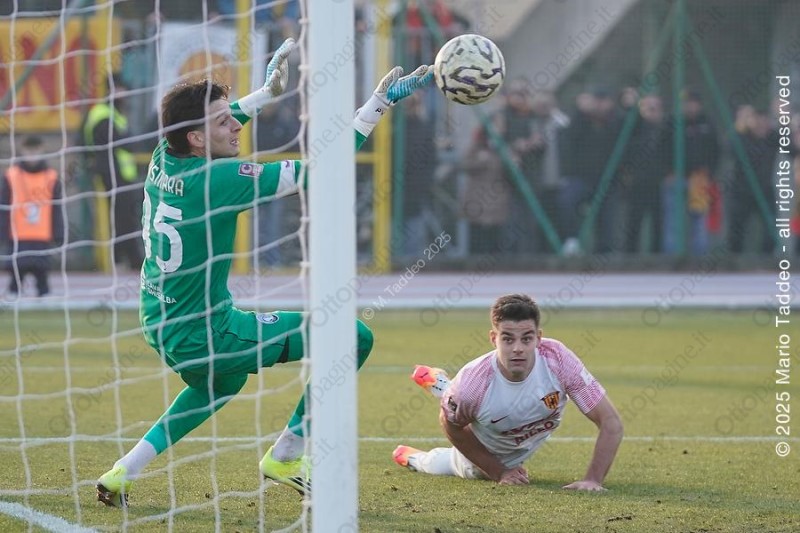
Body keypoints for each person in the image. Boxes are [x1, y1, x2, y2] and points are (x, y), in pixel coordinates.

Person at [94, 38, 433, 508]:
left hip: (159, 321)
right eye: (222, 122)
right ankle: (287, 456)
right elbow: (323, 170)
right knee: (353, 337)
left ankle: (122, 472)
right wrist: (377, 105)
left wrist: (265, 94)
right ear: (197, 138)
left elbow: (218, 119)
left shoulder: (163, 156)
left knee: (223, 383)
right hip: (207, 333)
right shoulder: (217, 179)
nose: (236, 124)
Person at [392, 294, 623, 490]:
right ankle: (412, 457)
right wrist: (498, 471)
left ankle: (440, 384)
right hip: (484, 456)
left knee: (459, 398)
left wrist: (593, 480)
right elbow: (450, 425)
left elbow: (611, 422)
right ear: (494, 339)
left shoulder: (559, 360)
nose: (518, 349)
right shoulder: (472, 385)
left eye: (527, 338)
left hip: (478, 406)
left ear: (539, 338)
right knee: (443, 463)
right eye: (508, 339)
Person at [81, 74, 144, 271]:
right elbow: (117, 142)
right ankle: (126, 261)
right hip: (112, 174)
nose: (123, 94)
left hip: (120, 174)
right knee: (122, 219)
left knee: (123, 217)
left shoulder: (113, 113)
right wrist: (133, 142)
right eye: (119, 89)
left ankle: (123, 260)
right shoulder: (103, 115)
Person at [0, 135, 64, 297]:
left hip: (41, 234)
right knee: (16, 270)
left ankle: (44, 294)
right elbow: (4, 206)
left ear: (42, 151)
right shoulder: (11, 175)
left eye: (35, 151)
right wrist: (2, 231)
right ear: (22, 151)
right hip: (17, 234)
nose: (32, 155)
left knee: (42, 270)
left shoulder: (51, 176)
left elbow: (57, 208)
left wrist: (58, 233)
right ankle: (14, 292)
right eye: (29, 151)